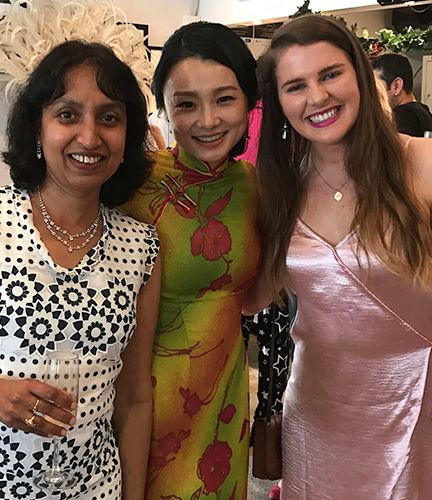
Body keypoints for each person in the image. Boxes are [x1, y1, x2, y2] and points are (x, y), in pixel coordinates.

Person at [245, 14, 432, 499]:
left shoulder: (428, 166)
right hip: (318, 415)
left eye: (330, 74)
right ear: (279, 102)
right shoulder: (279, 188)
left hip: (421, 411)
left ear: (359, 75)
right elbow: (247, 298)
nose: (317, 97)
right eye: (295, 85)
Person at [0, 40, 161, 499]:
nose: (89, 137)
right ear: (37, 126)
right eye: (68, 114)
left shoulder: (142, 247)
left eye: (109, 118)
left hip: (95, 487)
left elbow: (133, 398)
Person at [121, 22, 259, 499]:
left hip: (224, 400)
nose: (207, 120)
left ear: (248, 100)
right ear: (164, 109)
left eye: (224, 99)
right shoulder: (131, 187)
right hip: (148, 405)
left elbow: (254, 293)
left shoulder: (257, 188)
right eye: (185, 104)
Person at [372, 52, 432, 137]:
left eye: (376, 87)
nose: (372, 93)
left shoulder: (402, 118)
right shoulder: (424, 111)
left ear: (396, 86)